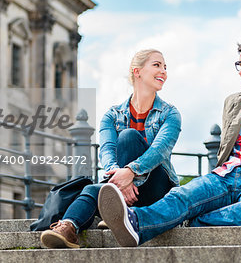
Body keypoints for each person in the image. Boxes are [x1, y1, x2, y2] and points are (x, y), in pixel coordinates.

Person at [98, 36, 241, 247]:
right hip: (226, 175)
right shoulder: (233, 101)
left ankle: (196, 221)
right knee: (183, 195)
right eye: (239, 64)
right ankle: (136, 222)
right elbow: (225, 149)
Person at [40, 49, 182, 248]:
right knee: (91, 188)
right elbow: (106, 150)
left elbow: (159, 150)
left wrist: (130, 173)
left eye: (165, 67)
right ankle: (67, 228)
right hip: (120, 187)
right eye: (157, 65)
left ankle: (118, 206)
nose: (164, 71)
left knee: (128, 136)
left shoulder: (170, 114)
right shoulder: (112, 115)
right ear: (137, 72)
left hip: (157, 187)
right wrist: (119, 177)